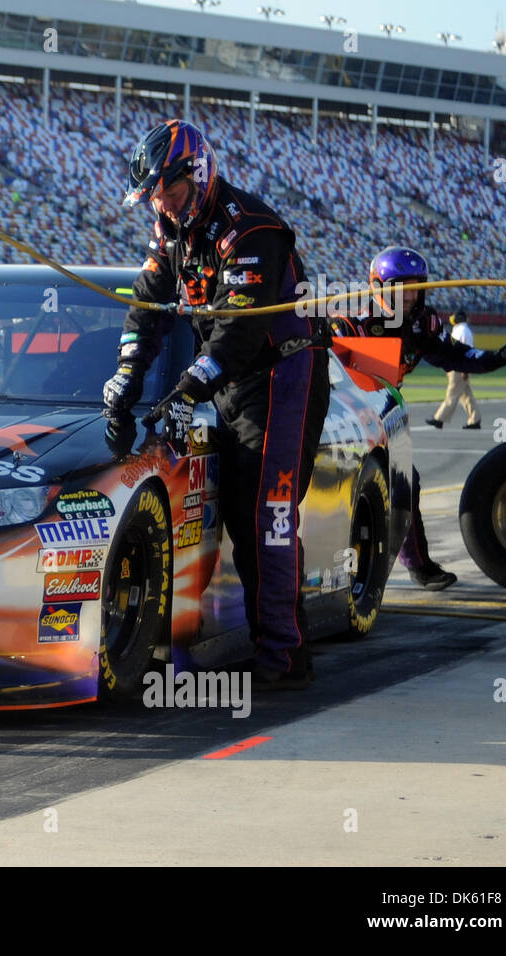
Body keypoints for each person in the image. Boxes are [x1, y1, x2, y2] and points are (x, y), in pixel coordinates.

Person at [103, 119, 330, 690]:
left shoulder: (253, 230)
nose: (164, 204)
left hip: (283, 373)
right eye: (155, 196)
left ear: (197, 176)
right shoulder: (171, 227)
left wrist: (187, 387)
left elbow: (237, 332)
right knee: (237, 513)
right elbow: (146, 306)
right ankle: (258, 637)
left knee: (268, 517)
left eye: (171, 192)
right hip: (232, 381)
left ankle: (283, 656)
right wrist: (128, 375)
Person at [333, 247, 506, 590]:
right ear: (377, 286)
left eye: (416, 287)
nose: (410, 295)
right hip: (340, 418)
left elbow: (454, 355)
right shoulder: (351, 322)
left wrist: (498, 357)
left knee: (405, 482)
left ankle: (417, 566)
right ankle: (341, 572)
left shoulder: (425, 324)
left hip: (382, 415)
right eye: (401, 287)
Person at [426, 310, 481, 429]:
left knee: (452, 394)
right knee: (466, 396)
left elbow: (465, 351)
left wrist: (465, 370)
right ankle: (475, 419)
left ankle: (439, 419)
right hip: (458, 367)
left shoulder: (462, 331)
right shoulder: (461, 330)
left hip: (458, 367)